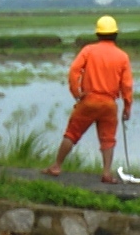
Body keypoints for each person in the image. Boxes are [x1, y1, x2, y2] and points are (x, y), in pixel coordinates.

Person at [44, 15, 134, 183]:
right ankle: (106, 173)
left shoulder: (88, 50)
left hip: (89, 101)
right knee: (108, 139)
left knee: (71, 134)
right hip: (109, 104)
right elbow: (127, 85)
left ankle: (56, 166)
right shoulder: (122, 56)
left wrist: (77, 93)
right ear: (115, 34)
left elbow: (73, 71)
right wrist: (127, 107)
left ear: (98, 34)